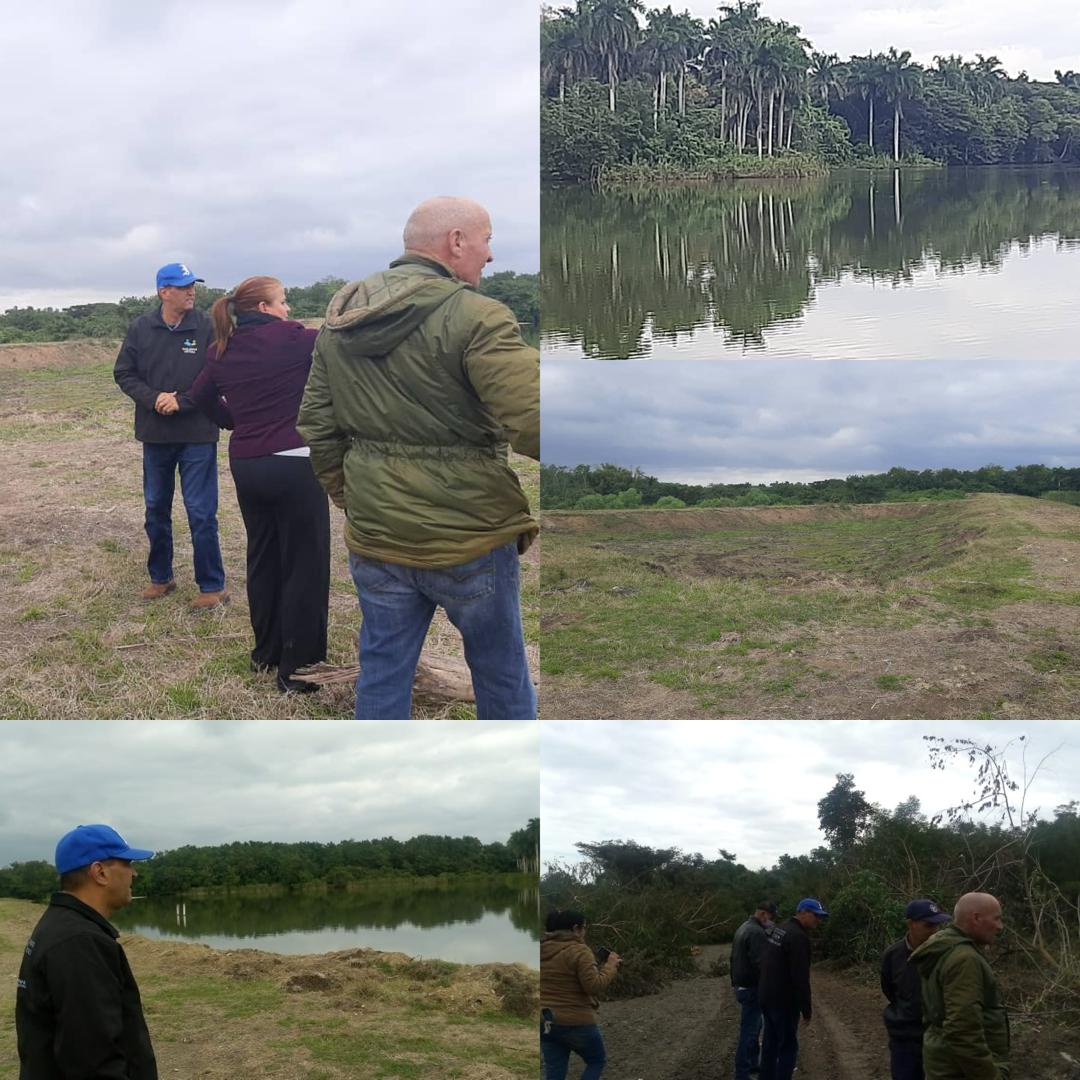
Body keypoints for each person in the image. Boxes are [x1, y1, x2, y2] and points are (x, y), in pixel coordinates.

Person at [297, 196, 539, 720]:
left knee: (382, 670)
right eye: (487, 240)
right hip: (468, 534)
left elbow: (318, 423)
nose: (490, 256)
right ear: (456, 242)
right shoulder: (479, 316)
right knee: (500, 673)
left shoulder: (341, 318)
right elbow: (537, 418)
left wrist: (353, 497)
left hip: (377, 533)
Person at [190, 276, 330, 693]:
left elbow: (198, 397)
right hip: (294, 464)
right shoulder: (296, 339)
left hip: (247, 464)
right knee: (304, 565)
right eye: (283, 301)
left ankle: (265, 654)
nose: (288, 308)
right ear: (266, 308)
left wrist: (235, 422)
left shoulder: (222, 349)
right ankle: (299, 669)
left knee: (263, 557)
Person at [114, 262, 228, 609]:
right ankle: (161, 577)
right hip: (156, 434)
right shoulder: (141, 328)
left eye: (193, 285)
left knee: (200, 511)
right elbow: (124, 373)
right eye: (183, 286)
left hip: (197, 433)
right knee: (155, 508)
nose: (191, 291)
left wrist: (183, 400)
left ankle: (212, 586)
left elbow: (218, 371)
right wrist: (154, 399)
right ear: (164, 292)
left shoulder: (208, 327)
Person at [16, 824, 157, 1078]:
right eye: (127, 864)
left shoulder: (63, 927)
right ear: (99, 872)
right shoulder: (79, 942)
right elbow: (94, 1061)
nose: (134, 873)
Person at [910, 892, 1009, 1080]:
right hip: (959, 1070)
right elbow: (962, 1030)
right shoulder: (964, 959)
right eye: (996, 919)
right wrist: (990, 1075)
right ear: (976, 918)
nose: (999, 926)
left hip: (943, 1061)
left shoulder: (945, 948)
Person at [540, 909, 621, 1080]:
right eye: (584, 927)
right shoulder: (579, 950)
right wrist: (611, 966)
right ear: (576, 928)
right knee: (596, 1061)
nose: (585, 932)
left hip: (545, 1019)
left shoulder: (540, 949)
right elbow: (593, 986)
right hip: (575, 1021)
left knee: (555, 1069)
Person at [758, 897, 829, 1080]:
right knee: (788, 1047)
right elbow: (800, 977)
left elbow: (765, 961)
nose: (818, 920)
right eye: (816, 916)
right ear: (803, 912)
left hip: (767, 997)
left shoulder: (779, 929)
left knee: (770, 1044)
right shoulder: (798, 937)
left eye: (820, 917)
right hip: (784, 1002)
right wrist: (806, 1009)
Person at [881, 899, 953, 1080]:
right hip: (905, 1039)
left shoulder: (946, 953)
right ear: (911, 924)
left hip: (939, 1039)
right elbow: (889, 989)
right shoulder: (892, 955)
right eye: (929, 925)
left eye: (937, 925)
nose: (934, 931)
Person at [730, 901, 779, 1080]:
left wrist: (734, 983)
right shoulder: (756, 932)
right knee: (749, 1032)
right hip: (752, 988)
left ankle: (752, 1063)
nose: (772, 922)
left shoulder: (742, 927)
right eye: (771, 918)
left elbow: (732, 958)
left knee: (755, 1026)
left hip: (741, 986)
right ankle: (742, 1074)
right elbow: (761, 964)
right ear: (764, 914)